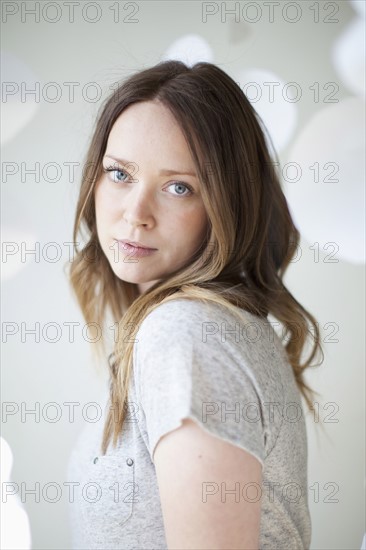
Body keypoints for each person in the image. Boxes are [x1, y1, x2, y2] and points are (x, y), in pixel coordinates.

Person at [66, 60, 324, 549]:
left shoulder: (184, 334)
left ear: (225, 205)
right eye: (119, 174)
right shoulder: (196, 327)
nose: (135, 214)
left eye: (178, 187)